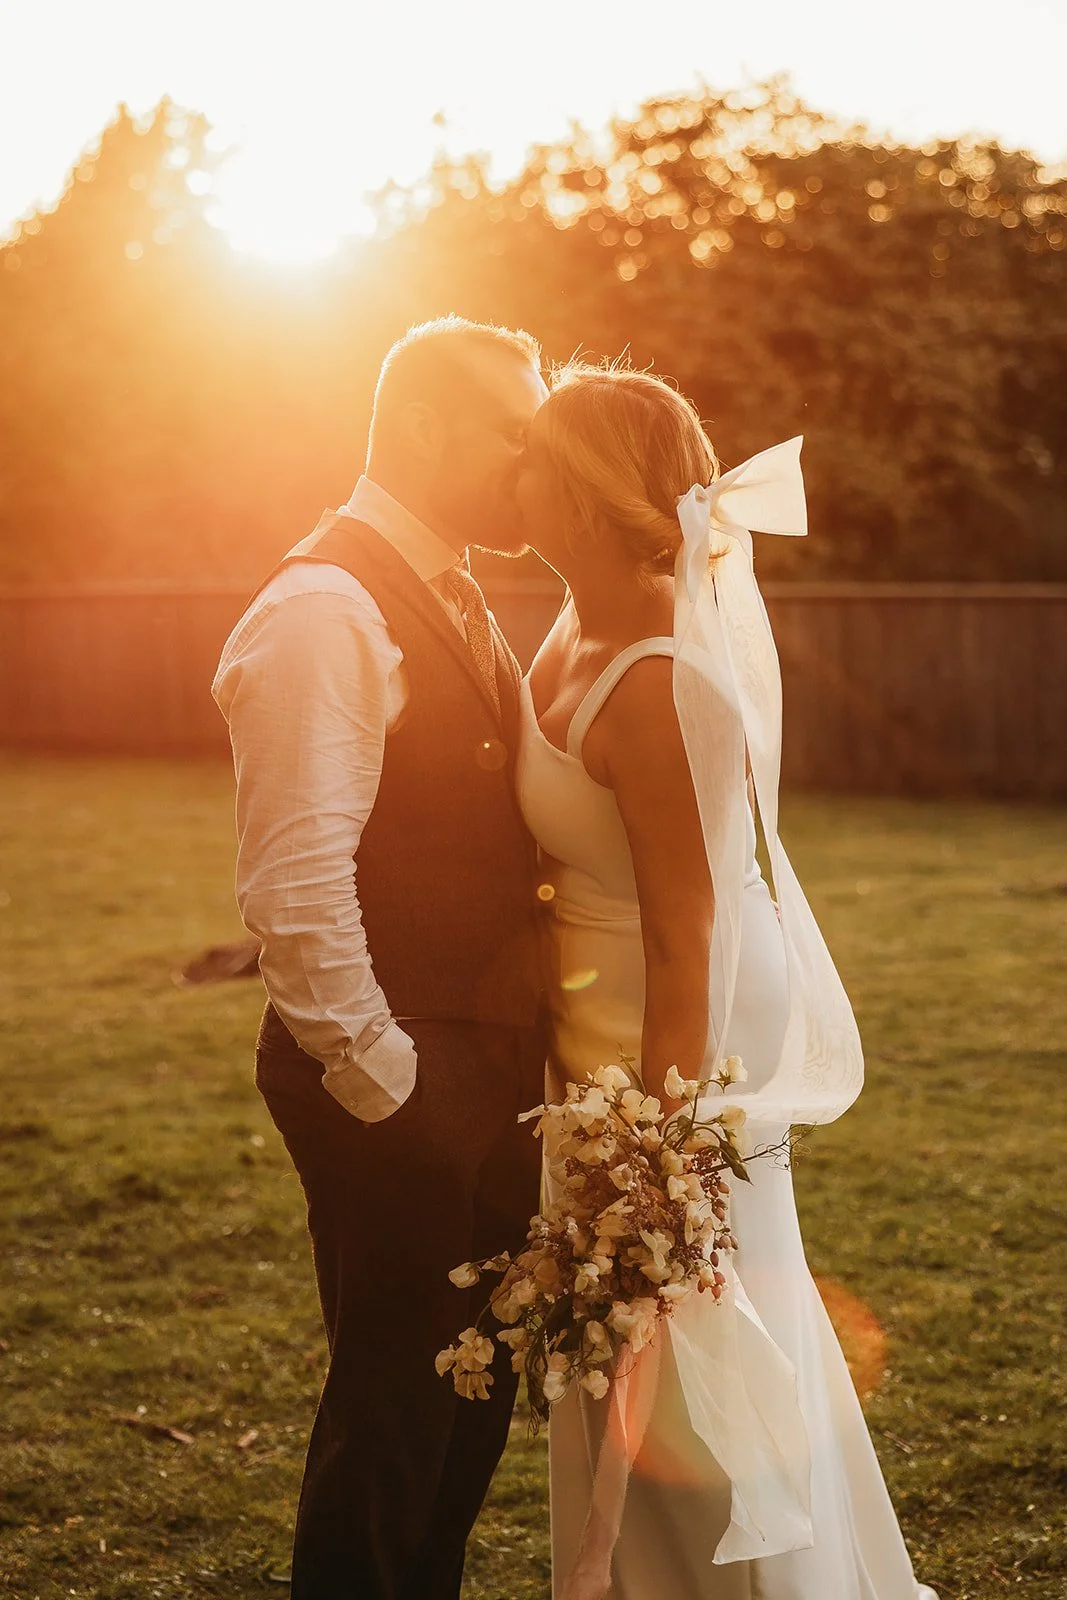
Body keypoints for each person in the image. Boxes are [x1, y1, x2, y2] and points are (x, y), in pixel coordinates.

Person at [515, 363, 938, 1599]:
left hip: (670, 1026)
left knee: (685, 1311)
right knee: (623, 1331)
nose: (510, 476)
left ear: (581, 490)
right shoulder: (571, 612)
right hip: (595, 1011)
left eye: (531, 457)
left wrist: (658, 1146)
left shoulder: (658, 674)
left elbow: (685, 919)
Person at [212, 316, 550, 1600]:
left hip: (475, 1070)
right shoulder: (321, 608)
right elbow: (294, 885)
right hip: (397, 1079)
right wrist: (388, 1083)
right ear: (423, 427)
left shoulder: (447, 585)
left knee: (463, 1405)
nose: (533, 469)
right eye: (513, 436)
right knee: (393, 1417)